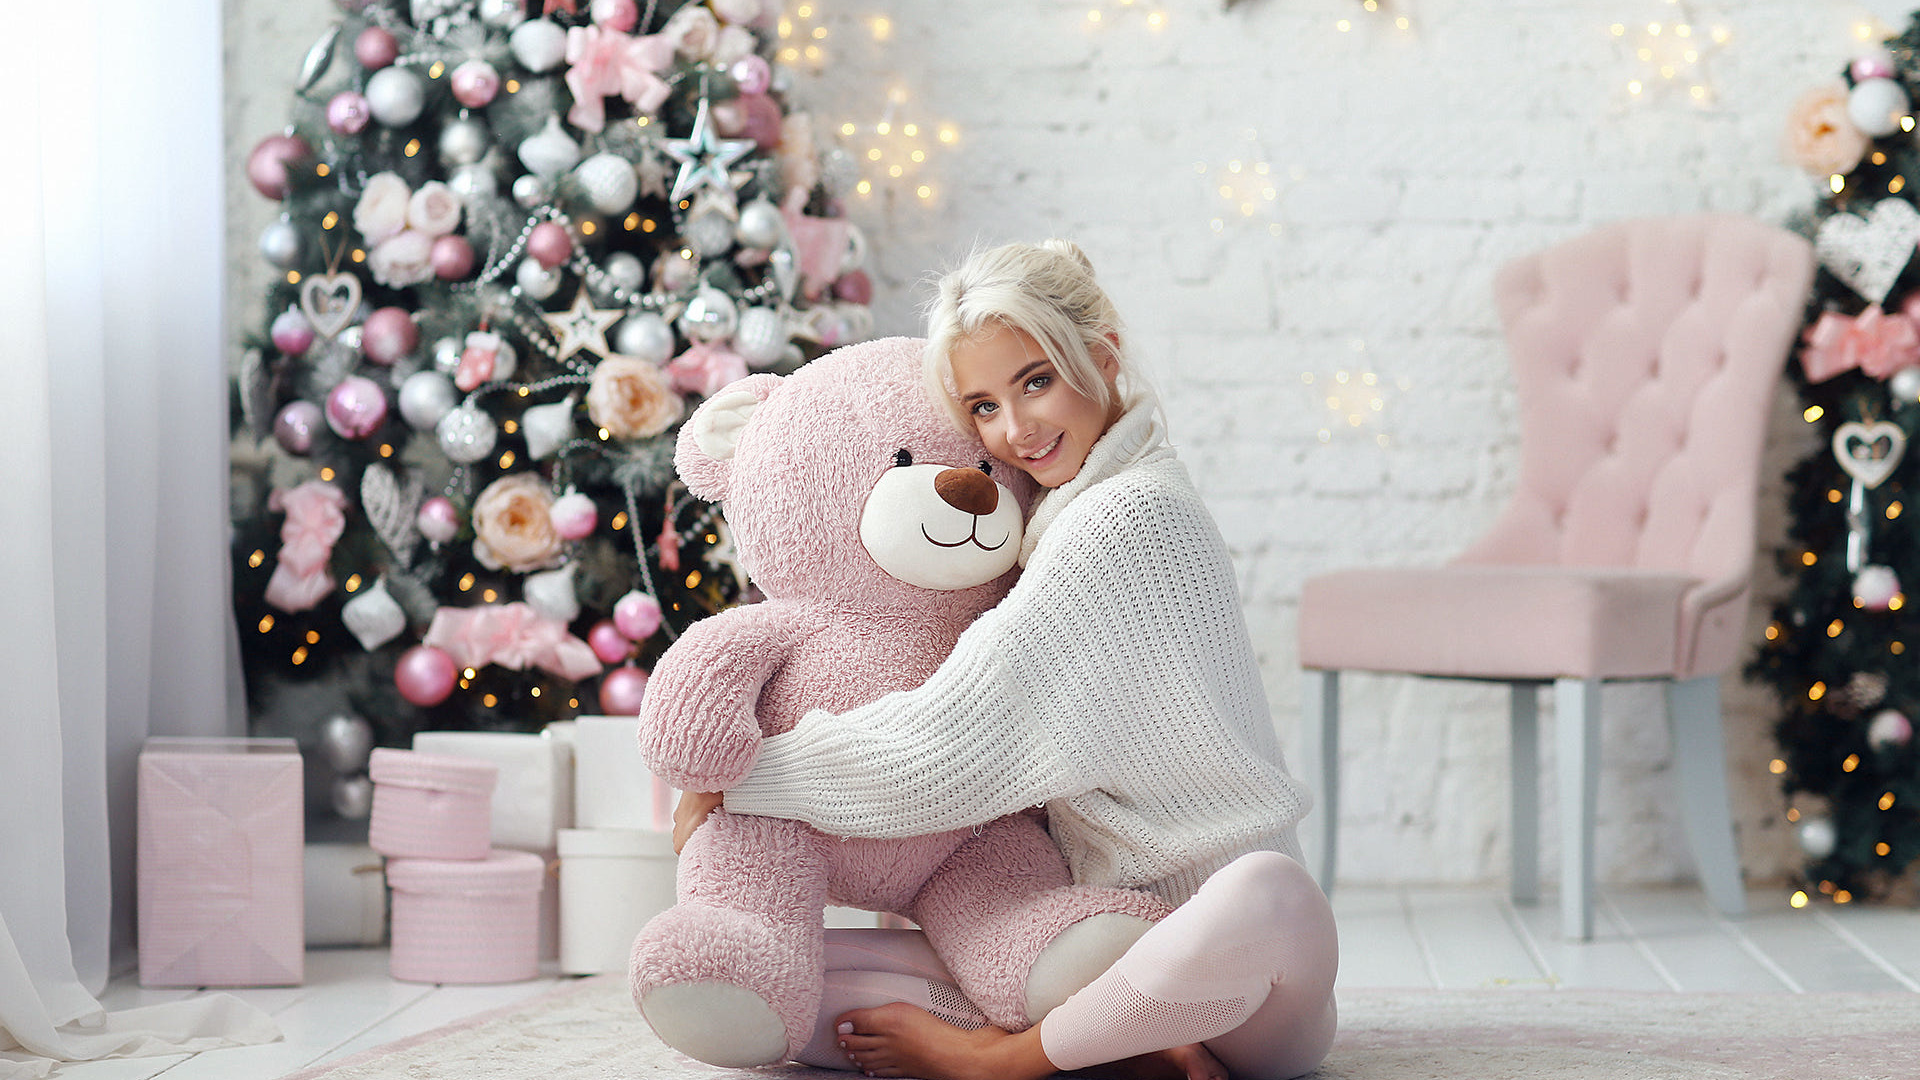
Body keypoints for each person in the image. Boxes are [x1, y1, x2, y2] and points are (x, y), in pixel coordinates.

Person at [674, 239, 1338, 1080]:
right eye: (982, 407)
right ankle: (1120, 1049)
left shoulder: (1125, 520)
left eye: (1035, 382)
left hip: (1233, 972)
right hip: (1092, 941)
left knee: (1269, 893)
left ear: (1099, 360)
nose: (1015, 430)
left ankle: (1004, 1062)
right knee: (794, 979)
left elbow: (953, 741)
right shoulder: (1064, 513)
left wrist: (739, 776)